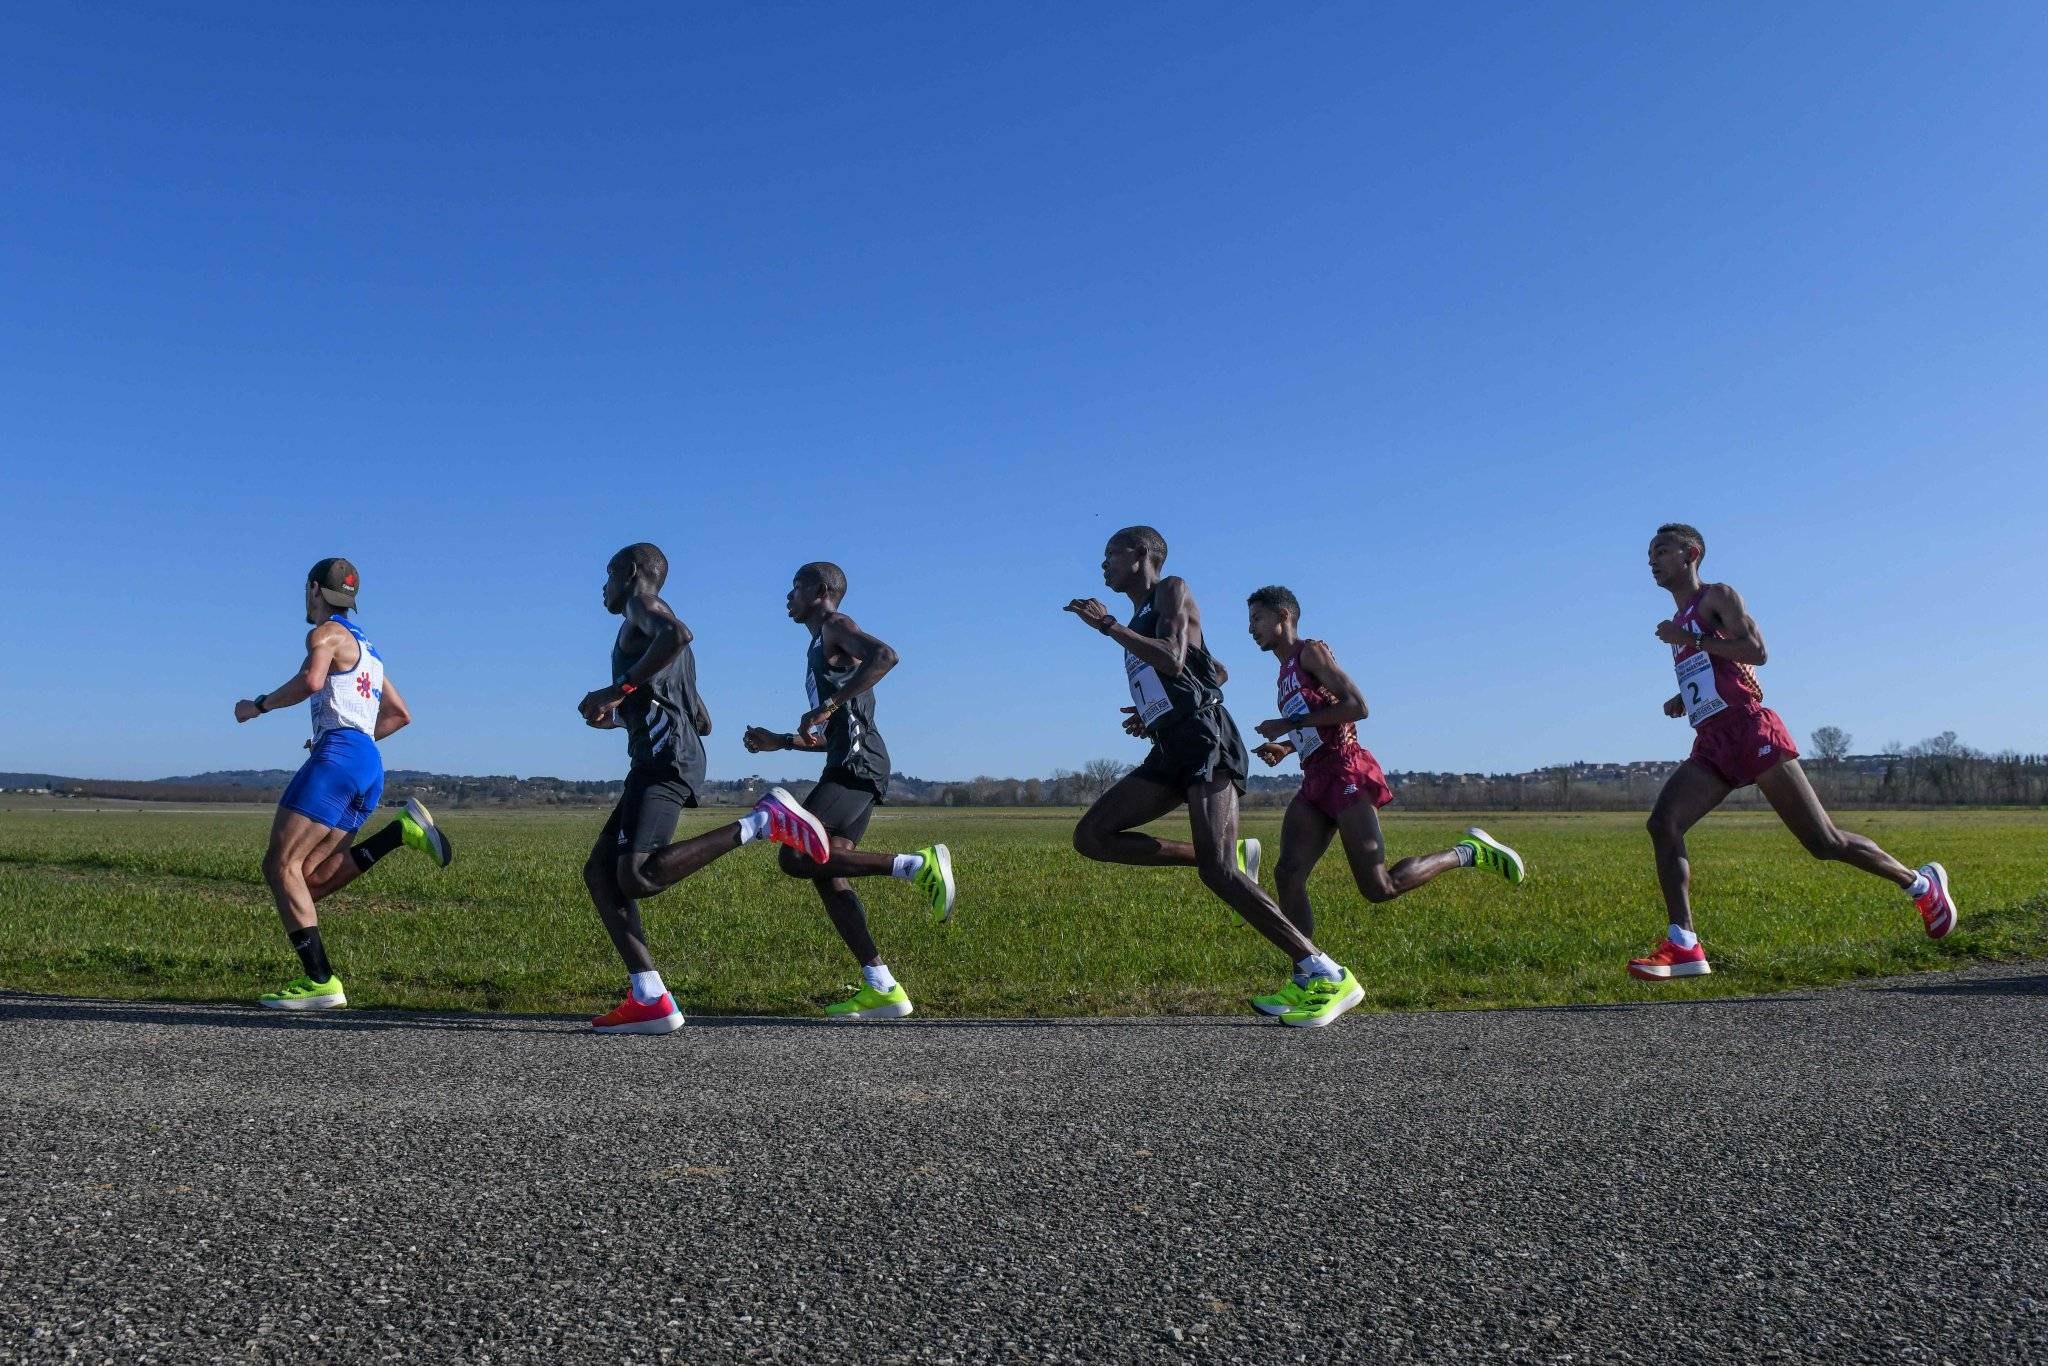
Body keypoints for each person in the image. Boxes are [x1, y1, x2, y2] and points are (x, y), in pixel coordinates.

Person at [1064, 527, 1362, 1028]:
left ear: (1141, 556)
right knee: (1092, 836)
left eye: (1110, 555)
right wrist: (1155, 710)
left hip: (1206, 741)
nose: (1103, 565)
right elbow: (1211, 669)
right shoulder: (1144, 614)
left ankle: (1324, 972)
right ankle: (1228, 859)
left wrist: (1109, 626)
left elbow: (1174, 657)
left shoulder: (1171, 590)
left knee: (1217, 874)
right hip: (1172, 742)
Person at [1631, 523, 1956, 981]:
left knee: (1824, 843)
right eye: (1649, 554)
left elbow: (1757, 651)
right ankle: (1684, 942)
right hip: (1713, 742)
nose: (1652, 560)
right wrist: (1685, 695)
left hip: (1751, 730)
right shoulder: (1681, 622)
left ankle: (1921, 885)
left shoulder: (1715, 598)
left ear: (1691, 554)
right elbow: (1721, 668)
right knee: (1662, 822)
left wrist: (1692, 643)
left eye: (1661, 551)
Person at [578, 543, 831, 1034]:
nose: (602, 587)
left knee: (637, 876)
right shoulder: (655, 634)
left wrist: (616, 689)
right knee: (599, 873)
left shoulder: (644, 607)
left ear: (631, 573)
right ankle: (648, 995)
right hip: (664, 754)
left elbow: (677, 635)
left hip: (664, 760)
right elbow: (700, 718)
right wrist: (623, 716)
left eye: (607, 575)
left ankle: (761, 823)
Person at [1243, 585, 1525, 1016]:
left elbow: (1357, 707)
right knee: (1288, 873)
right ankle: (1308, 976)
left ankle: (1468, 852)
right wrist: (1286, 746)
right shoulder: (1283, 673)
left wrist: (1287, 723)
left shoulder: (1311, 653)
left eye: (1257, 619)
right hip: (1315, 776)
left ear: (1282, 617)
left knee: (1379, 888)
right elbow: (1322, 721)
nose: (1251, 629)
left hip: (1346, 772)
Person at [232, 557, 452, 1010]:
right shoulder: (371, 654)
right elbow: (400, 715)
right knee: (305, 884)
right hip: (369, 764)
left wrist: (259, 705)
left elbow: (313, 681)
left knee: (279, 866)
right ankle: (399, 832)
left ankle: (320, 982)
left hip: (339, 759)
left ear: (314, 588)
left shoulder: (325, 634)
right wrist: (351, 741)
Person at [742, 561, 955, 1022]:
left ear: (820, 590)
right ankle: (881, 986)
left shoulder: (837, 626)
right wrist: (779, 741)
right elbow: (832, 733)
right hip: (849, 762)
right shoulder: (818, 646)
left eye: (796, 586)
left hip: (858, 765)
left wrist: (830, 703)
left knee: (795, 855)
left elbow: (886, 656)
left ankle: (918, 866)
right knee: (825, 870)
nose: (788, 595)